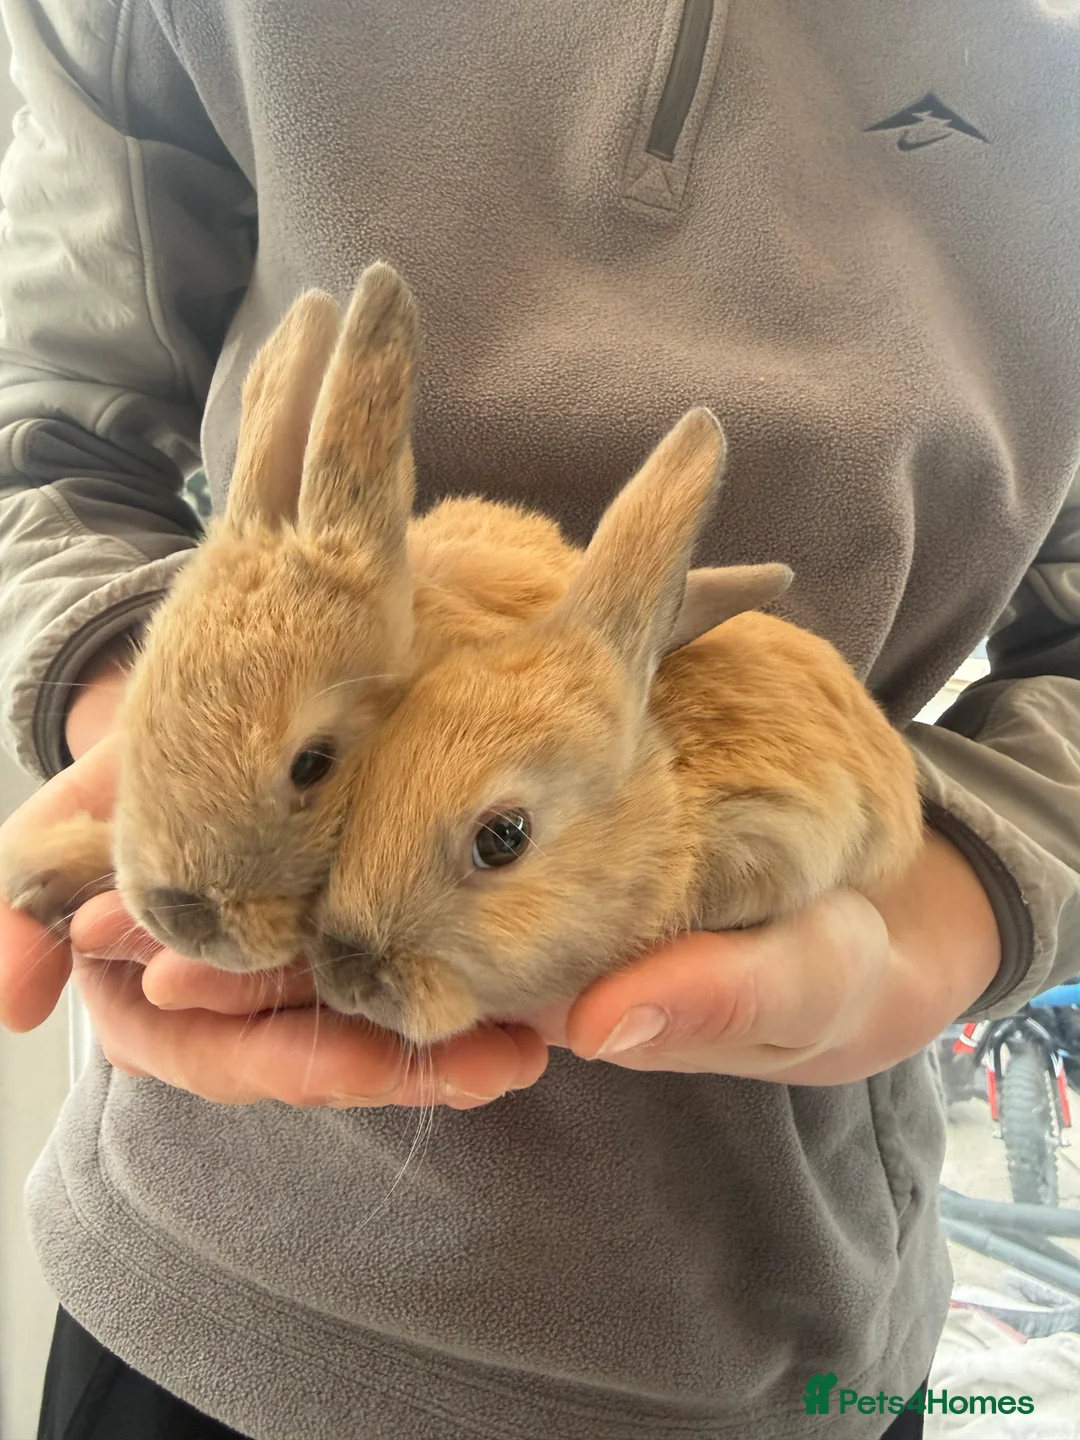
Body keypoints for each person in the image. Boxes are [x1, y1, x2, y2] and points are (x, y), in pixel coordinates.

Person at [1, 2, 1078, 1437]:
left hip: (771, 1339)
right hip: (197, 1290)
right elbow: (57, 426)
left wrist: (942, 917)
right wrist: (143, 719)